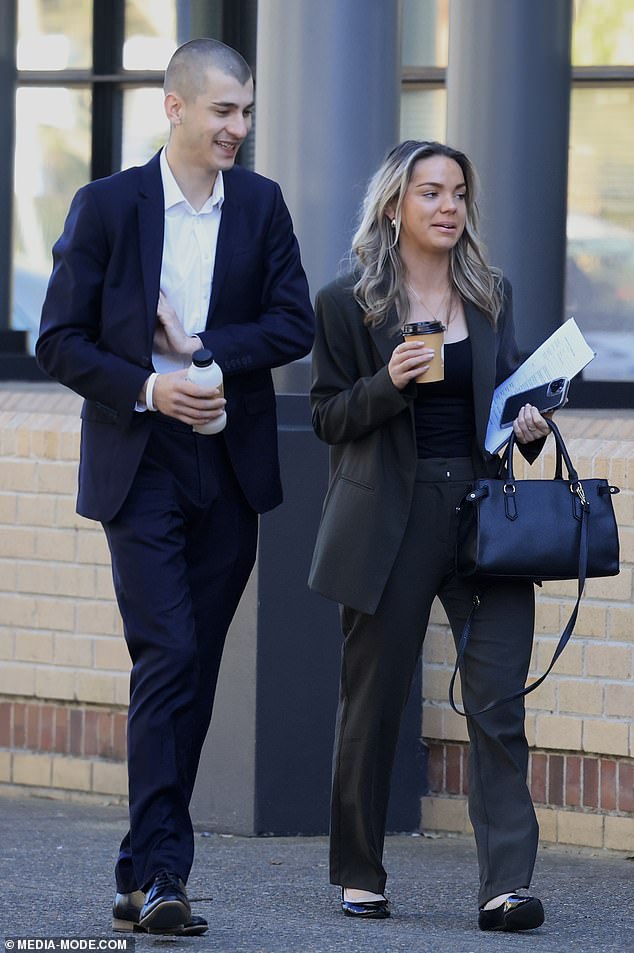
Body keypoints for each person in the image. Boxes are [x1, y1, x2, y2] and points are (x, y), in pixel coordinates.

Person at [37, 38, 314, 936]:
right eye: (223, 110)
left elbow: (292, 322)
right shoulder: (109, 205)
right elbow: (58, 338)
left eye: (246, 111)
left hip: (229, 465)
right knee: (169, 654)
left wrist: (206, 355)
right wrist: (151, 386)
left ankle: (137, 865)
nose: (238, 127)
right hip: (140, 461)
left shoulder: (263, 206)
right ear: (176, 108)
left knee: (189, 670)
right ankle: (164, 873)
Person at [308, 140, 551, 933]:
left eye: (458, 194)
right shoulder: (348, 304)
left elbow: (505, 391)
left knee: (497, 699)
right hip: (391, 516)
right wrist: (390, 381)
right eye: (431, 193)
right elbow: (327, 416)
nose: (449, 207)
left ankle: (505, 885)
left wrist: (529, 425)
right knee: (374, 703)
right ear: (393, 207)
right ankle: (358, 869)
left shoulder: (491, 293)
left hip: (484, 511)